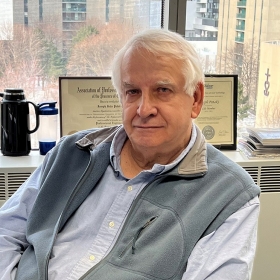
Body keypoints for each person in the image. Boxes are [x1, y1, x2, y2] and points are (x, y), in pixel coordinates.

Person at [0, 29, 260, 280]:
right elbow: (5, 233)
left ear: (196, 99)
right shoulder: (71, 152)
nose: (144, 109)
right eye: (132, 91)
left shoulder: (229, 196)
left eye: (163, 90)